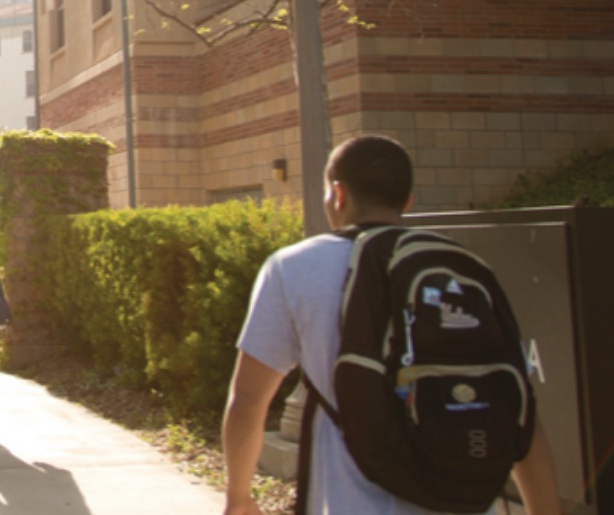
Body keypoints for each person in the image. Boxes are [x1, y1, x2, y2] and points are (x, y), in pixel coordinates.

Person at [220, 135, 559, 515]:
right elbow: (519, 409)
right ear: (407, 201)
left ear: (338, 194)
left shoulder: (293, 268)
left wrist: (239, 499)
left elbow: (248, 400)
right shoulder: (462, 268)